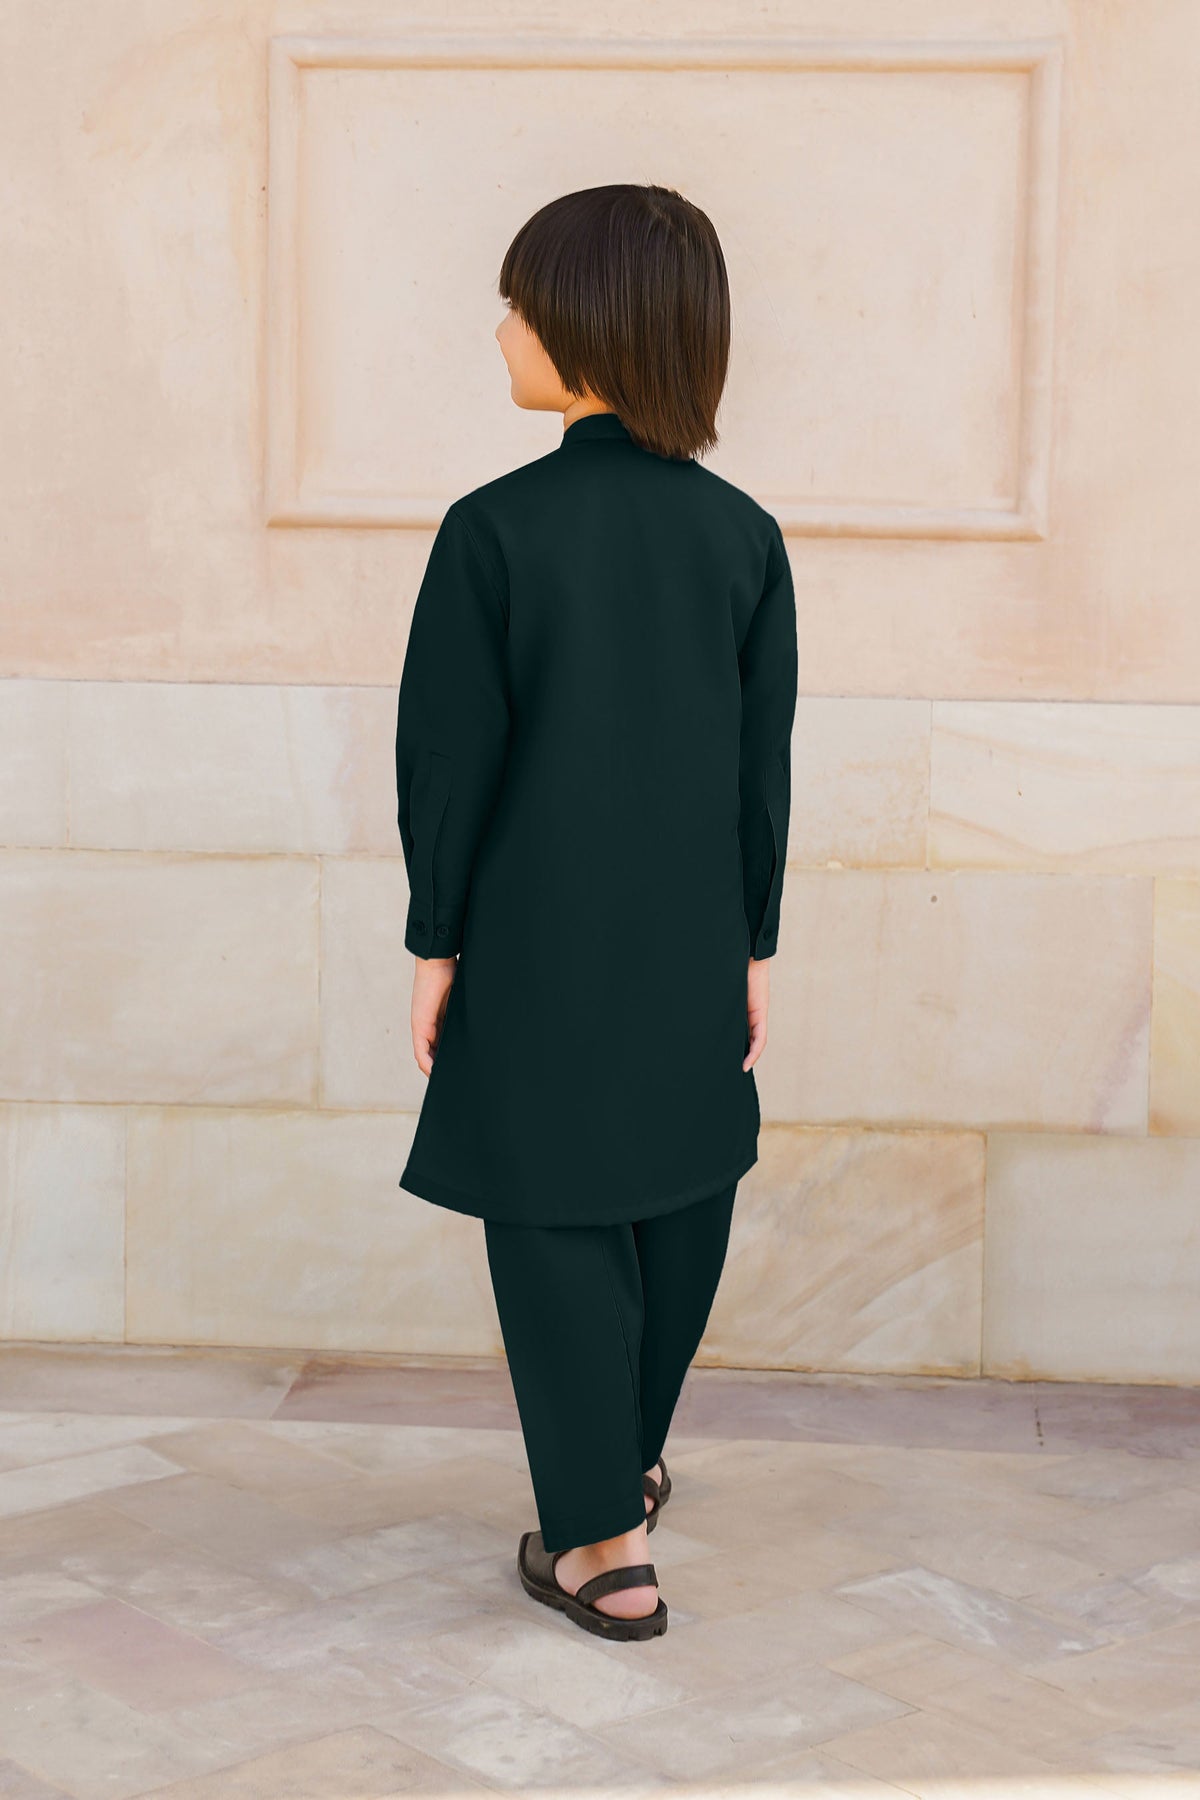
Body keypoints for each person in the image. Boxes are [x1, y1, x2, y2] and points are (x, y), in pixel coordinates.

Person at [394, 183, 797, 1642]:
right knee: (683, 1180)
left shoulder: (492, 531)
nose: (501, 329)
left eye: (518, 303)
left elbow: (449, 762)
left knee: (550, 1198)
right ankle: (620, 1461)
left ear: (586, 324)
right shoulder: (744, 536)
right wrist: (753, 942)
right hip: (692, 931)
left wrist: (437, 941)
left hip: (534, 935)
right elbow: (761, 770)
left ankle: (601, 1546)